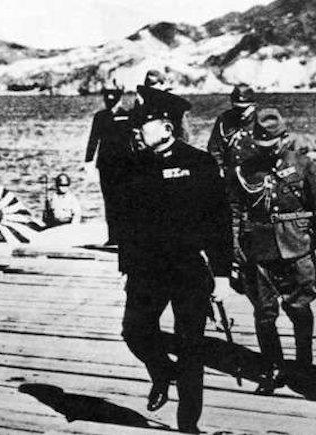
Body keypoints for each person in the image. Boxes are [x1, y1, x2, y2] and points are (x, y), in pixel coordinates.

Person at [116, 84, 232, 433]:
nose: (137, 130)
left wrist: (223, 275)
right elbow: (127, 222)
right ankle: (162, 372)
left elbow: (219, 221)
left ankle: (188, 424)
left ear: (167, 128)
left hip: (187, 269)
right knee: (135, 331)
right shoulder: (133, 165)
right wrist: (127, 267)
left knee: (191, 346)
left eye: (144, 124)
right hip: (147, 270)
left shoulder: (199, 163)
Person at [226, 108, 316, 395]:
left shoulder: (303, 165)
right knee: (264, 313)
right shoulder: (243, 171)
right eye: (261, 144)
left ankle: (304, 365)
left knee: (299, 307)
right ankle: (272, 367)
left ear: (284, 139)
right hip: (259, 248)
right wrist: (235, 250)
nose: (267, 150)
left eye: (272, 144)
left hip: (298, 246)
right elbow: (236, 213)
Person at [85, 87, 132, 244]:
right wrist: (88, 160)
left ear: (119, 98)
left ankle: (125, 236)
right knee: (110, 201)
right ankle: (113, 237)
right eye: (107, 99)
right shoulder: (100, 117)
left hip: (125, 165)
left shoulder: (127, 116)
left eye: (112, 99)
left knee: (124, 199)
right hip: (106, 166)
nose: (109, 102)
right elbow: (93, 139)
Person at [207, 83, 258, 170]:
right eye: (237, 108)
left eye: (244, 109)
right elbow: (214, 147)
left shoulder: (263, 121)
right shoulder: (224, 120)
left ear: (253, 106)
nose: (240, 112)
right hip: (230, 170)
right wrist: (220, 166)